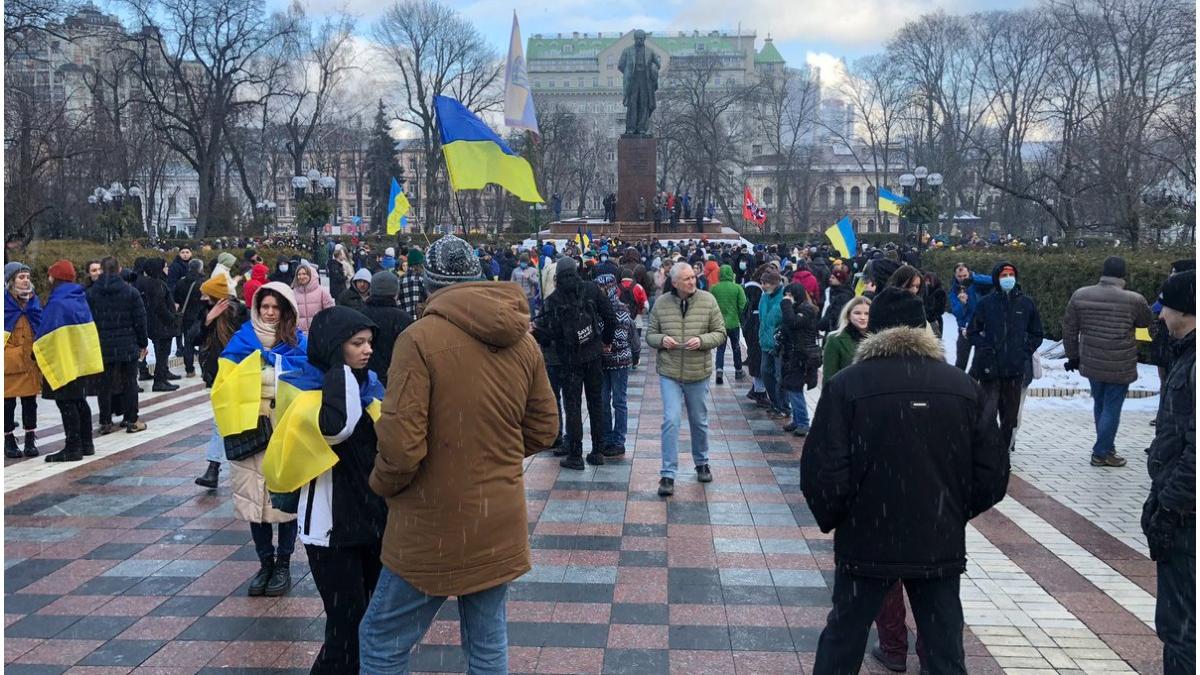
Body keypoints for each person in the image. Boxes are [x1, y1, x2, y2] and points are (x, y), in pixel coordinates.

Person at [360, 234, 559, 674]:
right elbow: (546, 429)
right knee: (487, 643)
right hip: (498, 514)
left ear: (429, 286)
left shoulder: (418, 338)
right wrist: (493, 452)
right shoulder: (522, 339)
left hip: (431, 516)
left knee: (381, 640)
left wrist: (380, 486)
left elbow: (401, 446)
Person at [801, 285, 1008, 675]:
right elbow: (993, 471)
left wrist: (841, 515)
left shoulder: (849, 385)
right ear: (926, 330)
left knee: (844, 637)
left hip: (867, 534)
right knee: (944, 643)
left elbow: (821, 467)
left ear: (874, 330)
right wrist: (953, 509)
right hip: (936, 534)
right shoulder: (962, 387)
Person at [301, 306, 389, 674]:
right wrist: (342, 373)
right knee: (345, 625)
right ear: (334, 347)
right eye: (357, 343)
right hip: (331, 527)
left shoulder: (368, 384)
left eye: (369, 342)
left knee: (367, 621)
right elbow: (337, 428)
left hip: (369, 521)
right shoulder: (308, 389)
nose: (367, 350)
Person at [217, 283, 311, 597]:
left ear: (286, 310)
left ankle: (283, 563)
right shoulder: (241, 339)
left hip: (283, 430)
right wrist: (268, 375)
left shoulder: (298, 342)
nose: (269, 313)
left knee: (283, 501)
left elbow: (309, 381)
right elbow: (224, 384)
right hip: (249, 431)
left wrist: (263, 375)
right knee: (253, 501)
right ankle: (264, 563)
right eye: (265, 307)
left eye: (276, 308)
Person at [1141, 270, 1195, 675]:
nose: (1160, 318)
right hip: (1178, 510)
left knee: (1183, 629)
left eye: (1166, 309)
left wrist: (1170, 505)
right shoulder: (1183, 353)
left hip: (1187, 518)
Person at [1062, 256, 1155, 467]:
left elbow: (1069, 328)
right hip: (1121, 362)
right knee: (1112, 408)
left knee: (1101, 404)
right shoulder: (1135, 299)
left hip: (1092, 360)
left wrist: (1073, 356)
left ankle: (1106, 448)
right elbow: (1146, 323)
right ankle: (1101, 451)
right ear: (1123, 275)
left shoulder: (1081, 295)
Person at [645, 262, 726, 496]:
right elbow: (650, 335)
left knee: (698, 420)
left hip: (697, 371)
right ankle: (668, 474)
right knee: (670, 420)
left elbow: (720, 333)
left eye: (693, 277)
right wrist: (661, 340)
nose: (692, 281)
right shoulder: (661, 304)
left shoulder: (708, 301)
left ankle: (702, 462)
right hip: (670, 371)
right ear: (675, 283)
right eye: (687, 279)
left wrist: (702, 341)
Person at [534, 256, 616, 469]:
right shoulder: (592, 289)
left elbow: (547, 335)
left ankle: (575, 455)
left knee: (573, 407)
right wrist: (605, 341)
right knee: (596, 402)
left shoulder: (553, 299)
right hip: (594, 355)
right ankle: (598, 451)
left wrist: (536, 331)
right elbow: (610, 317)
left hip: (569, 360)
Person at [969, 261, 1044, 455]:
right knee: (987, 413)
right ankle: (988, 450)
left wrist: (1024, 351)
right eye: (1004, 275)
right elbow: (973, 331)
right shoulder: (986, 303)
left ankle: (1004, 451)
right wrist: (985, 346)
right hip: (990, 369)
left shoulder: (1026, 303)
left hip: (1015, 369)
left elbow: (1037, 333)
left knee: (1010, 417)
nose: (1008, 279)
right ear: (997, 279)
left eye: (1011, 275)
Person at [39, 261, 104, 462]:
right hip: (78, 358)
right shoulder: (77, 297)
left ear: (55, 278)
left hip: (63, 358)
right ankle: (86, 444)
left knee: (66, 402)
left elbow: (48, 331)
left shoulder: (58, 301)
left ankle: (73, 447)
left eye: (50, 275)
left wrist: (37, 352)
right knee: (78, 400)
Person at [193, 276, 247, 489]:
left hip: (239, 372)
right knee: (221, 420)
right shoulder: (206, 311)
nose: (201, 297)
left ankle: (215, 468)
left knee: (228, 421)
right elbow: (192, 339)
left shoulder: (238, 312)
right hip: (218, 374)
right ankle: (213, 469)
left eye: (205, 293)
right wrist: (207, 321)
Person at [88, 257, 149, 434]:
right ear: (119, 269)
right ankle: (131, 420)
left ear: (101, 270)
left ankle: (105, 422)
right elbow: (140, 320)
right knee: (129, 382)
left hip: (102, 345)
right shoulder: (130, 292)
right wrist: (142, 342)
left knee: (104, 385)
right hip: (127, 345)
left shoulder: (92, 293)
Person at [5, 262, 42, 458]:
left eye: (27, 276)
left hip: (30, 361)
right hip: (9, 362)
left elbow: (40, 325)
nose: (26, 280)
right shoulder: (4, 304)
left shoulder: (34, 302)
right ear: (11, 281)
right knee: (7, 403)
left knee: (30, 402)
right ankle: (9, 440)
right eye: (21, 277)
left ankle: (30, 439)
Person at [596, 274, 633, 460]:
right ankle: (606, 437)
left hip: (619, 361)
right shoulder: (595, 307)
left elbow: (622, 337)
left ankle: (618, 440)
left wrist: (604, 344)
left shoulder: (620, 308)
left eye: (602, 289)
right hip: (602, 362)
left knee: (619, 401)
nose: (599, 292)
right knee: (602, 401)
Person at [357, 271, 413, 387]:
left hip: (364, 381)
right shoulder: (404, 319)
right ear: (395, 293)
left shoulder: (358, 316)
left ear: (371, 291)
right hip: (395, 382)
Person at [779, 282, 820, 436]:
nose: (787, 298)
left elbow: (793, 322)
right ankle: (797, 420)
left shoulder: (806, 309)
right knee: (791, 386)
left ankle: (803, 422)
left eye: (789, 295)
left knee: (795, 388)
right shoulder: (798, 308)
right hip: (794, 354)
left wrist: (785, 303)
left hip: (803, 356)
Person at [136, 258, 181, 391]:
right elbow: (159, 306)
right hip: (162, 326)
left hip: (155, 324)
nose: (167, 269)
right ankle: (159, 381)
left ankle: (161, 379)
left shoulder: (149, 282)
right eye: (165, 267)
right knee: (162, 354)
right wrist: (172, 318)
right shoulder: (157, 284)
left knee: (161, 353)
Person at [948, 263, 993, 370]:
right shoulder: (954, 290)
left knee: (978, 363)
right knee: (961, 363)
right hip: (965, 330)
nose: (962, 279)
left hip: (980, 328)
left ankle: (973, 384)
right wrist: (962, 304)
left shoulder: (976, 283)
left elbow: (993, 280)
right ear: (955, 276)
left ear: (969, 273)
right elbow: (957, 313)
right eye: (959, 276)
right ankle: (959, 385)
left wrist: (973, 278)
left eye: (965, 276)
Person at [758, 267, 788, 418]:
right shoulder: (764, 297)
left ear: (775, 283)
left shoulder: (784, 297)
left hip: (779, 344)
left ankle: (783, 406)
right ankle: (774, 402)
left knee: (779, 376)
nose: (763, 286)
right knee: (765, 373)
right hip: (765, 342)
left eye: (766, 283)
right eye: (762, 283)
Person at [709, 263, 747, 385]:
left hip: (719, 324)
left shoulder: (714, 288)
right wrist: (738, 315)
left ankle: (719, 370)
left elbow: (711, 306)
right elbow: (743, 305)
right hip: (734, 323)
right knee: (736, 348)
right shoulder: (737, 288)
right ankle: (738, 370)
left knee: (720, 349)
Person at [822, 297, 870, 381]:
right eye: (857, 313)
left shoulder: (879, 338)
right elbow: (829, 376)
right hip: (847, 391)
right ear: (848, 315)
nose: (863, 317)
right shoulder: (835, 339)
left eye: (867, 313)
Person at [173, 259, 206, 378]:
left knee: (188, 343)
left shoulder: (180, 282)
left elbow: (176, 299)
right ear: (200, 268)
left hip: (185, 316)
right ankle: (204, 369)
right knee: (203, 342)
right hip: (200, 316)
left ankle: (189, 370)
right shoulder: (202, 283)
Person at [743, 265, 767, 405]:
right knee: (758, 359)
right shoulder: (757, 290)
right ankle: (759, 392)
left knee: (756, 358)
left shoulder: (748, 286)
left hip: (749, 324)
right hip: (755, 325)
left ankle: (757, 389)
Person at [292, 262, 335, 333]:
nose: (301, 277)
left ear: (311, 275)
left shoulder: (322, 291)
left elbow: (330, 313)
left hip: (319, 332)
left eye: (304, 274)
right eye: (299, 274)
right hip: (300, 335)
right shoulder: (293, 293)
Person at [818, 266, 853, 333]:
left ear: (840, 280)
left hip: (836, 329)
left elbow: (835, 314)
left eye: (833, 278)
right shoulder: (834, 291)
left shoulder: (843, 296)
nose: (830, 279)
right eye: (830, 277)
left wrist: (822, 323)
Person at [398, 248, 427, 320]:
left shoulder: (399, 280)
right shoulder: (423, 279)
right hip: (421, 322)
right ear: (421, 264)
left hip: (404, 322)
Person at [923, 271, 947, 338]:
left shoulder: (940, 292)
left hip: (934, 321)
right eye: (926, 281)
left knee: (935, 343)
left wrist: (930, 315)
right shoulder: (925, 291)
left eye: (929, 281)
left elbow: (940, 310)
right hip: (925, 320)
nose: (927, 283)